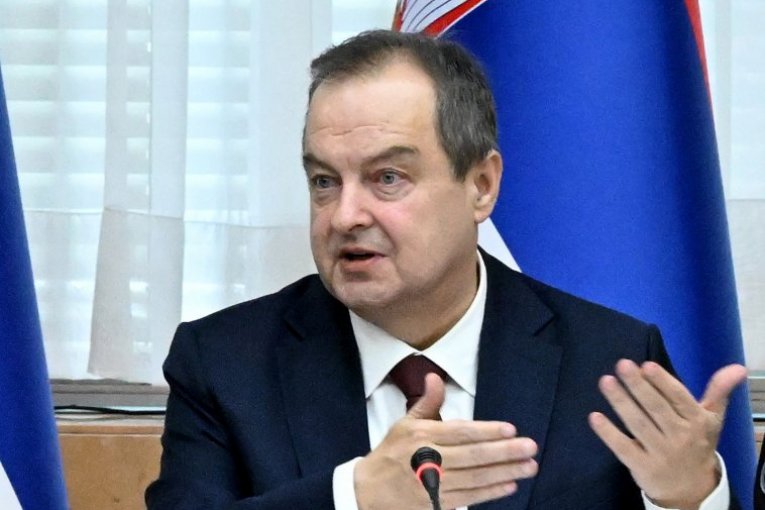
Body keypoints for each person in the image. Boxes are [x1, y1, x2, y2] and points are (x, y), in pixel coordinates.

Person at [145, 30, 746, 510]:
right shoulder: (225, 363)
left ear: (481, 185)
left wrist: (686, 498)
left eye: (387, 178)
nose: (345, 215)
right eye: (324, 181)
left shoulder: (608, 360)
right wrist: (353, 498)